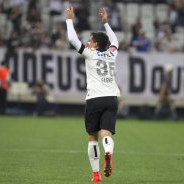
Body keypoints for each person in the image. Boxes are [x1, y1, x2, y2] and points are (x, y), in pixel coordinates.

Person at [65, 7, 120, 182]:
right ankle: (109, 152)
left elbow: (73, 39)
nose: (87, 43)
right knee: (107, 133)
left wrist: (69, 20)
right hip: (112, 98)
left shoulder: (90, 54)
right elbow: (115, 41)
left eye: (90, 40)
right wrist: (106, 23)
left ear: (95, 45)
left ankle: (96, 174)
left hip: (94, 99)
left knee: (92, 136)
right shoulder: (111, 54)